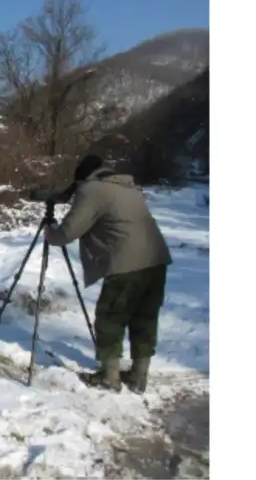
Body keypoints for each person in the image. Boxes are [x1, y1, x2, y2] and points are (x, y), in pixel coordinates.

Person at [44, 154, 173, 394]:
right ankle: (138, 377)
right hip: (156, 260)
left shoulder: (92, 190)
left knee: (110, 318)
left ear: (82, 178)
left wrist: (50, 233)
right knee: (144, 318)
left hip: (127, 264)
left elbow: (66, 233)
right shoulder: (126, 187)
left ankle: (109, 378)